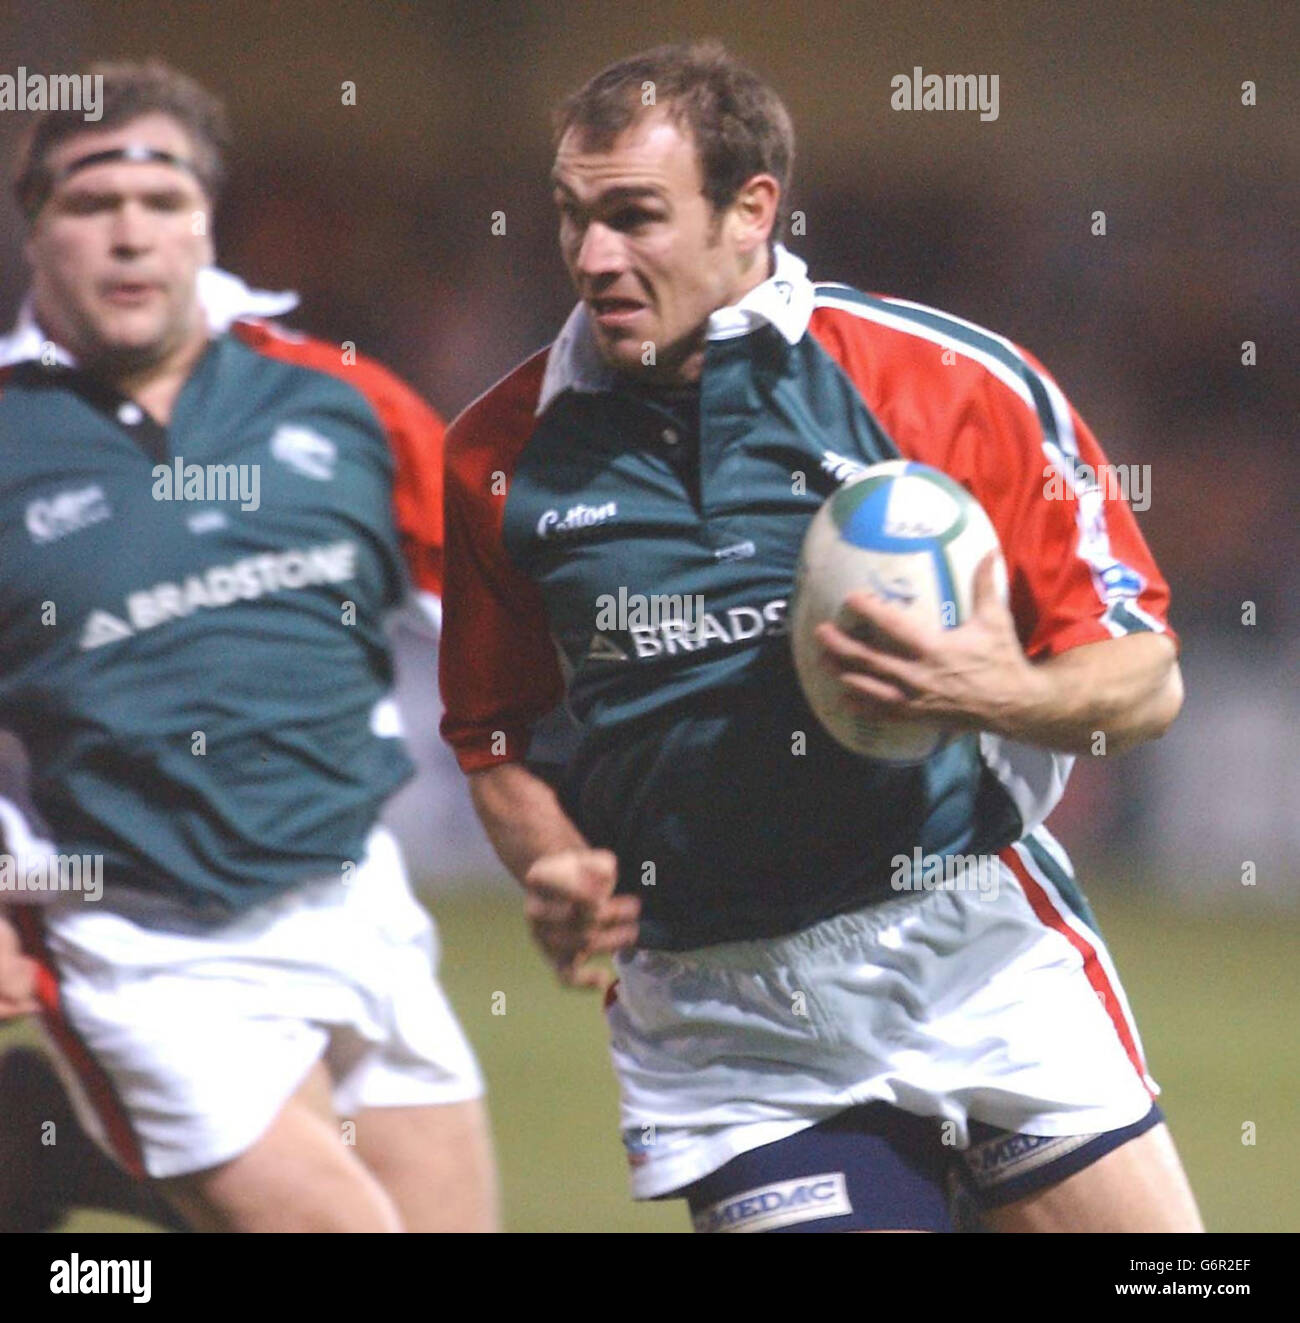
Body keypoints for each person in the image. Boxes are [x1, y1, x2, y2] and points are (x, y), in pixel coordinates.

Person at [439, 40, 1203, 1233]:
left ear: (753, 210)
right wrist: (547, 857)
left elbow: (1142, 675)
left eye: (634, 216)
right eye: (571, 218)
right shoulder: (498, 454)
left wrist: (996, 689)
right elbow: (492, 735)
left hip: (974, 954)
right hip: (727, 1025)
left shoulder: (944, 384)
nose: (593, 258)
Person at [0, 60, 497, 1232]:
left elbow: (502, 611)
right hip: (136, 940)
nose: (131, 237)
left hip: (355, 901)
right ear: (34, 229)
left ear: (205, 222)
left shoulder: (340, 404)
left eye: (163, 204)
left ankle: (50, 1142)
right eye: (88, 204)